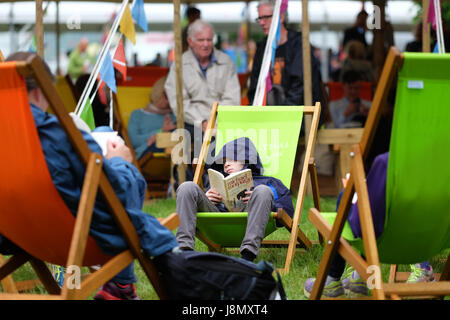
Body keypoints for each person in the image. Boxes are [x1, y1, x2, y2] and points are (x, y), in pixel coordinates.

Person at [2, 52, 179, 300]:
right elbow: (114, 189)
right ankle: (121, 286)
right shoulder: (55, 134)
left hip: (19, 236)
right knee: (127, 174)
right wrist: (120, 163)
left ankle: (121, 287)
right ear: (40, 90)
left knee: (104, 135)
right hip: (78, 239)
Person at [304, 152, 435, 298]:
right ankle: (423, 269)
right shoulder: (437, 165)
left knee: (346, 196)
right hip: (436, 231)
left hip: (383, 239)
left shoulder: (386, 161)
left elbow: (363, 223)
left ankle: (337, 277)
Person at [175, 137, 294, 262]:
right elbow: (192, 200)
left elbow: (287, 211)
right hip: (218, 219)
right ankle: (184, 248)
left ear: (247, 160)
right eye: (224, 161)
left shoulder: (269, 182)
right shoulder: (216, 182)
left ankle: (248, 254)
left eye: (232, 159)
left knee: (263, 191)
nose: (226, 164)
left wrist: (260, 200)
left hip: (250, 219)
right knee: (187, 187)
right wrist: (206, 197)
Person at [165, 19, 240, 181]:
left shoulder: (226, 62)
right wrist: (203, 122)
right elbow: (179, 103)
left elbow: (232, 98)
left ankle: (225, 184)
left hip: (222, 120)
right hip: (192, 121)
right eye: (201, 40)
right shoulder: (179, 65)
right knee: (196, 137)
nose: (206, 44)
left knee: (233, 136)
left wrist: (217, 122)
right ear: (190, 41)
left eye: (209, 40)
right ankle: (201, 184)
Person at [247, 0, 324, 112]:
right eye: (259, 19)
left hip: (297, 117)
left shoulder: (299, 44)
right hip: (269, 118)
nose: (262, 23)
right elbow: (255, 86)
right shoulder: (262, 48)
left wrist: (283, 114)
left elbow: (300, 86)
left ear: (281, 17)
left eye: (266, 17)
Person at [128, 76, 177, 159]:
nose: (169, 101)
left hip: (173, 152)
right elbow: (133, 141)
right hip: (148, 152)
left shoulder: (174, 115)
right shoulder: (137, 115)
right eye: (167, 96)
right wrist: (161, 132)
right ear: (158, 93)